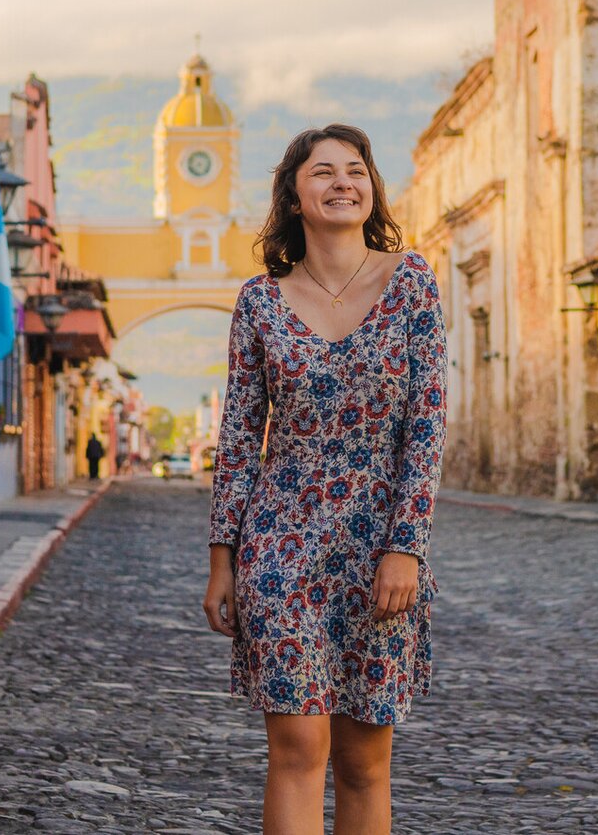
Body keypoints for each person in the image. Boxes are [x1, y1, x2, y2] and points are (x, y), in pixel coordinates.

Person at [203, 124, 447, 835]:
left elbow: (427, 424)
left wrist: (408, 545)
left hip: (379, 546)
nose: (343, 181)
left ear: (371, 190)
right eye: (323, 172)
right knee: (298, 745)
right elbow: (241, 436)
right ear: (295, 196)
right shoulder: (259, 302)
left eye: (356, 170)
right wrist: (222, 560)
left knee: (365, 758)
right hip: (280, 545)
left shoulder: (412, 283)